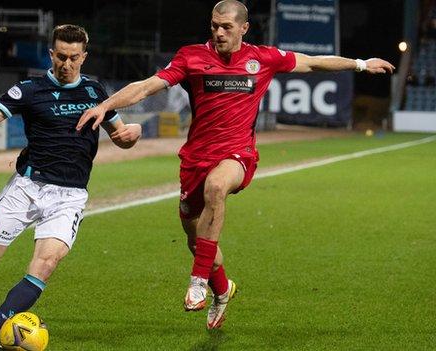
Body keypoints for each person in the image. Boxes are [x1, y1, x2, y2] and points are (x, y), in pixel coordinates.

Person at [75, 0, 395, 330]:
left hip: (238, 156)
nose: (218, 32)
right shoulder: (192, 57)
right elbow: (146, 87)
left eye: (226, 27)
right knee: (195, 239)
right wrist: (106, 106)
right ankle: (222, 289)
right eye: (214, 25)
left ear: (243, 28)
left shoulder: (263, 58)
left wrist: (360, 63)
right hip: (195, 159)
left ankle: (198, 280)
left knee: (217, 187)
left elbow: (313, 63)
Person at [0, 24, 142, 349]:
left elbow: (120, 136)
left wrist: (132, 135)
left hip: (70, 196)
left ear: (84, 57)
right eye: (61, 56)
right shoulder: (29, 90)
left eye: (74, 57)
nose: (67, 64)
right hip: (27, 187)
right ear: (51, 54)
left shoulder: (96, 92)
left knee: (46, 262)